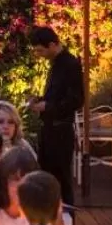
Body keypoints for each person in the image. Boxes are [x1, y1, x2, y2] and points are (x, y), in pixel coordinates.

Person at [29, 25, 84, 206]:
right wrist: (40, 100)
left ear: (52, 45)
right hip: (49, 129)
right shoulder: (56, 64)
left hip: (60, 131)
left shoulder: (70, 64)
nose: (39, 54)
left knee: (61, 181)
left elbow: (76, 100)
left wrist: (48, 106)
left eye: (40, 50)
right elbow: (57, 94)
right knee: (47, 179)